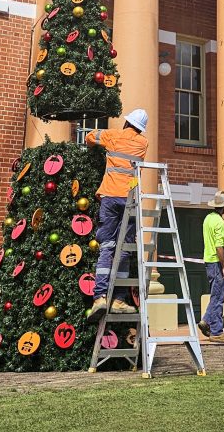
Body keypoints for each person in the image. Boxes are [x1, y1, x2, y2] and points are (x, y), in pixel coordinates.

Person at [85, 108, 149, 320]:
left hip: (110, 197)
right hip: (130, 198)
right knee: (125, 248)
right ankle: (119, 299)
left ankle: (100, 296)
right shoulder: (143, 143)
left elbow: (90, 136)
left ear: (126, 122)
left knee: (107, 246)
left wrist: (92, 144)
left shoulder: (113, 136)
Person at [196, 190, 224, 343]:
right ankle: (217, 332)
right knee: (218, 297)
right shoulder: (219, 222)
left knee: (215, 294)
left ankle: (205, 321)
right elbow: (219, 247)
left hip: (208, 261)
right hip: (216, 262)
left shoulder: (207, 218)